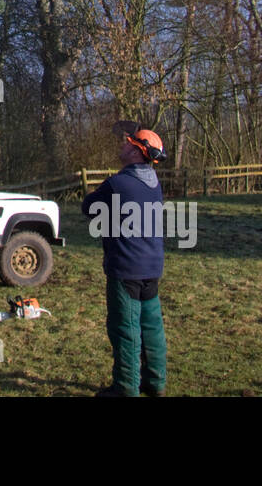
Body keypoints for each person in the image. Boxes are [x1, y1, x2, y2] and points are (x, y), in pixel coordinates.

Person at [81, 121, 168, 397]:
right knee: (151, 326)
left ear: (136, 151)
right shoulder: (155, 184)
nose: (123, 143)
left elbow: (88, 208)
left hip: (126, 267)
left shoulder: (118, 183)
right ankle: (155, 383)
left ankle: (126, 388)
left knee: (125, 329)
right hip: (153, 266)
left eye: (128, 142)